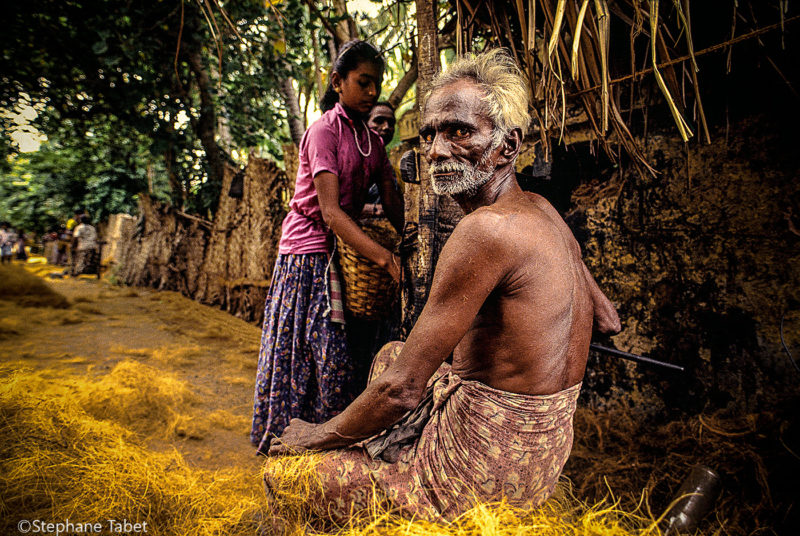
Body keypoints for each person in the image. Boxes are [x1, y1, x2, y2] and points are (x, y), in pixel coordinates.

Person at [265, 49, 621, 521]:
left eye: (459, 131)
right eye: (430, 133)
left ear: (508, 146)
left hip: (480, 482)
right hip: (543, 459)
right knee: (394, 352)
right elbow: (608, 320)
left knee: (285, 475)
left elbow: (401, 392)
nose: (435, 150)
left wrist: (314, 435)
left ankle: (404, 487)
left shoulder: (483, 232)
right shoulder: (543, 210)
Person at [251, 40, 404, 456]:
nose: (372, 92)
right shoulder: (323, 131)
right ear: (338, 82)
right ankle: (290, 444)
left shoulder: (371, 141)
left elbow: (391, 198)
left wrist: (408, 237)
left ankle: (330, 444)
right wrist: (385, 257)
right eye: (363, 82)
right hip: (309, 254)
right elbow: (332, 213)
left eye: (377, 84)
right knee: (319, 353)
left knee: (349, 353)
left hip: (343, 252)